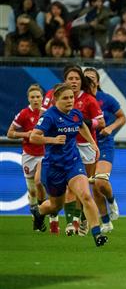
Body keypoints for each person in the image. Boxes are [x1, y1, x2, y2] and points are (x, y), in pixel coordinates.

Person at [29, 83, 108, 247]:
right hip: (53, 168)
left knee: (86, 195)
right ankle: (38, 212)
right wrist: (52, 140)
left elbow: (81, 125)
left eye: (71, 97)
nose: (70, 101)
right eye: (65, 98)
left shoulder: (75, 114)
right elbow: (34, 137)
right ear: (55, 100)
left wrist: (93, 143)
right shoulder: (49, 117)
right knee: (55, 206)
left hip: (73, 163)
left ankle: (97, 234)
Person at [63, 66, 105, 236]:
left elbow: (101, 122)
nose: (73, 82)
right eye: (70, 78)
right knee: (70, 186)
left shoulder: (89, 100)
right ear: (65, 81)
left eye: (77, 79)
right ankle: (71, 223)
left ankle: (83, 219)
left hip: (87, 146)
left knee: (84, 186)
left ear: (81, 81)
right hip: (68, 146)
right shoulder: (59, 98)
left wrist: (83, 123)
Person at [84, 68, 126, 233]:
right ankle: (106, 221)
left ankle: (111, 200)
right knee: (94, 186)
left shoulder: (106, 99)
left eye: (92, 77)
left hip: (104, 144)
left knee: (101, 181)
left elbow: (122, 117)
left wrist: (110, 128)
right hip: (86, 146)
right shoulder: (80, 100)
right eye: (86, 77)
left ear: (98, 81)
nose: (89, 80)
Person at [7, 84, 48, 232]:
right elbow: (10, 133)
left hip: (44, 155)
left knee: (40, 183)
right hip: (29, 155)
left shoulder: (47, 114)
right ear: (28, 99)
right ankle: (37, 218)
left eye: (38, 96)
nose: (36, 99)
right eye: (33, 97)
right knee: (32, 191)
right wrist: (26, 134)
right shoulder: (24, 114)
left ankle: (42, 217)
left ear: (42, 98)